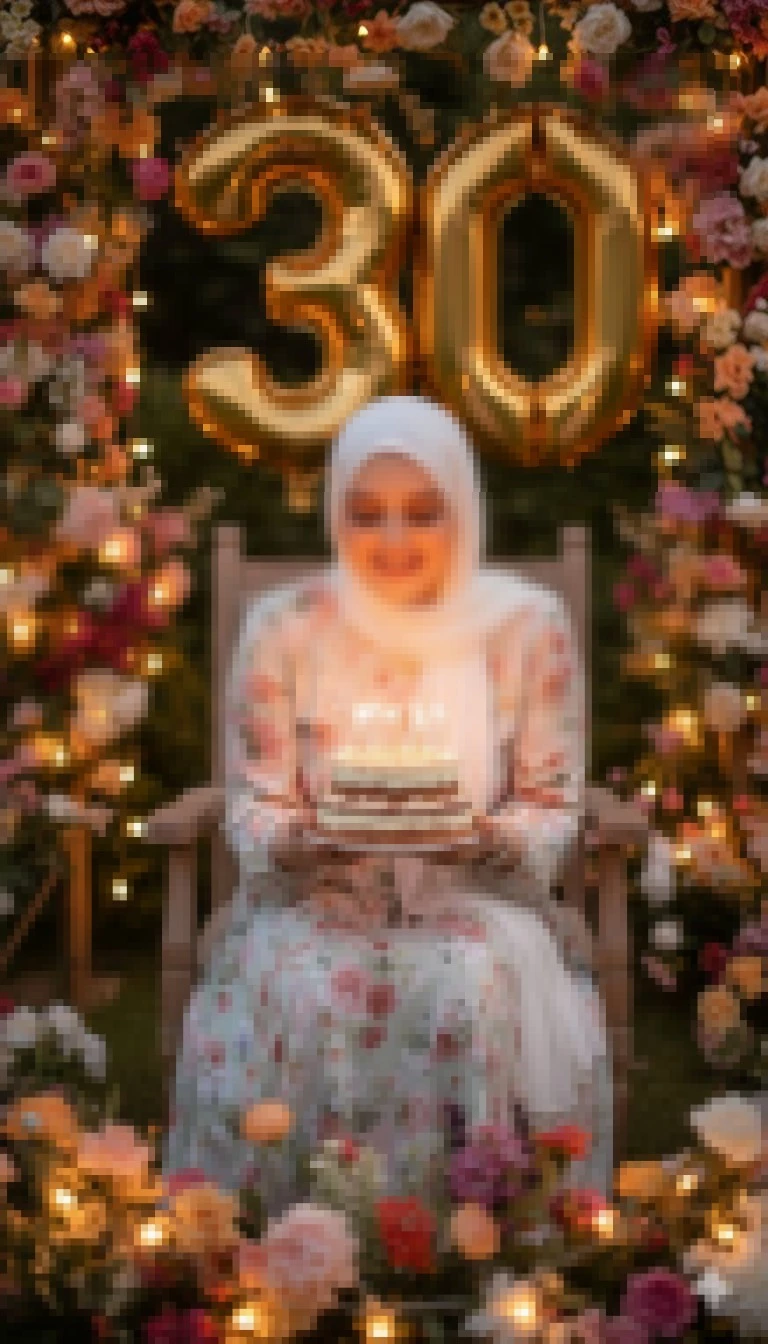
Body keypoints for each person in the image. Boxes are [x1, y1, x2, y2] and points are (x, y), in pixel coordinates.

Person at [165, 394, 613, 1215]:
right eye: (368, 515)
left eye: (423, 513)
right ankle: (289, 1246)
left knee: (465, 987)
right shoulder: (288, 626)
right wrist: (300, 844)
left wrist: (491, 840)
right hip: (314, 899)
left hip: (475, 901)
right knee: (303, 991)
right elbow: (255, 802)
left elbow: (551, 801)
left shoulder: (522, 626)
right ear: (338, 513)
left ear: (461, 508)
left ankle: (467, 1245)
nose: (396, 541)